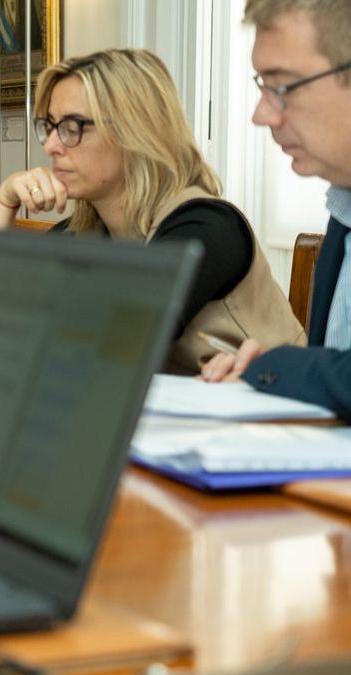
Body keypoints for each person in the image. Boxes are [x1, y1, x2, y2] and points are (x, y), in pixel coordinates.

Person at [0, 49, 304, 375]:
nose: (52, 144)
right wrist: (3, 203)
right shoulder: (85, 232)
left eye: (72, 127)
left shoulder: (207, 227)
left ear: (135, 132)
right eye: (50, 126)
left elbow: (119, 338)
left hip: (278, 449)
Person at [199, 0, 351, 420]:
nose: (260, 115)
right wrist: (269, 378)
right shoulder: (343, 211)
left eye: (281, 87)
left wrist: (281, 368)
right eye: (261, 87)